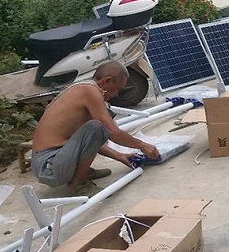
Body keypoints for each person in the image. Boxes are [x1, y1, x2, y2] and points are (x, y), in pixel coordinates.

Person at [31, 62, 159, 191]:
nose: (116, 94)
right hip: (48, 166)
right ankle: (78, 185)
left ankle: (80, 172)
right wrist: (142, 145)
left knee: (96, 128)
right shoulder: (90, 91)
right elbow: (112, 133)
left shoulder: (84, 90)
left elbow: (89, 142)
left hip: (52, 161)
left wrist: (120, 156)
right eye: (117, 89)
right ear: (107, 80)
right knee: (97, 127)